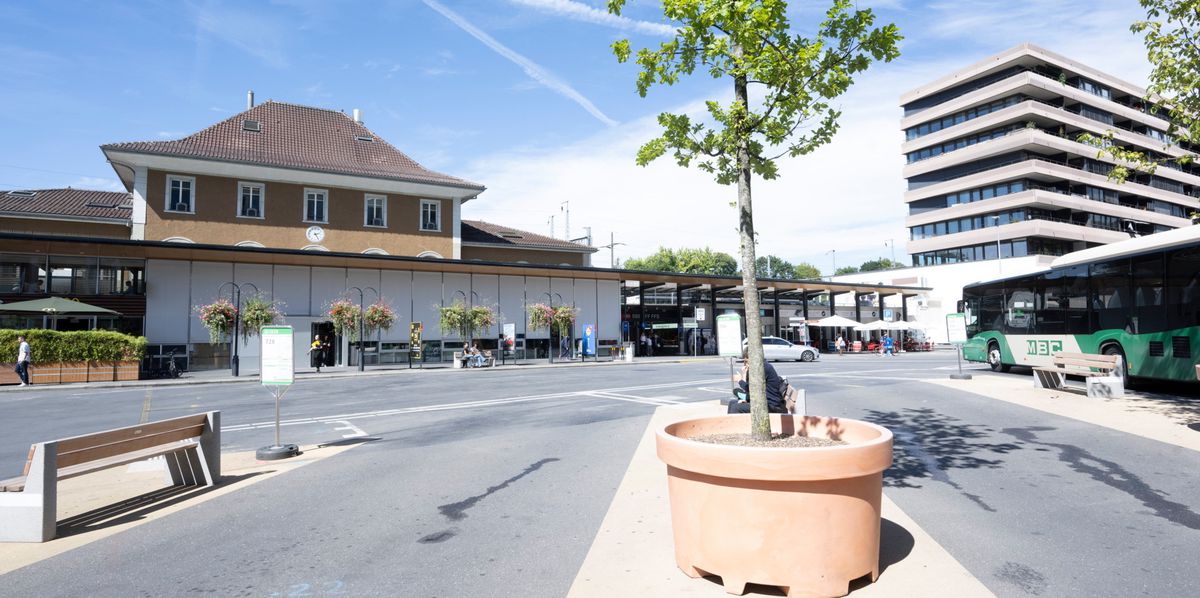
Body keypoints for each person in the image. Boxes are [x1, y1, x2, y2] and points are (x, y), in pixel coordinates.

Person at [728, 348, 788, 414]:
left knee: (736, 408)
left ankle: (736, 424)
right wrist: (745, 374)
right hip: (762, 402)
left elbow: (751, 389)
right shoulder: (760, 366)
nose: (745, 363)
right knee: (732, 403)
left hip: (770, 405)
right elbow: (751, 389)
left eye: (746, 360)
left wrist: (740, 380)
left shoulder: (762, 368)